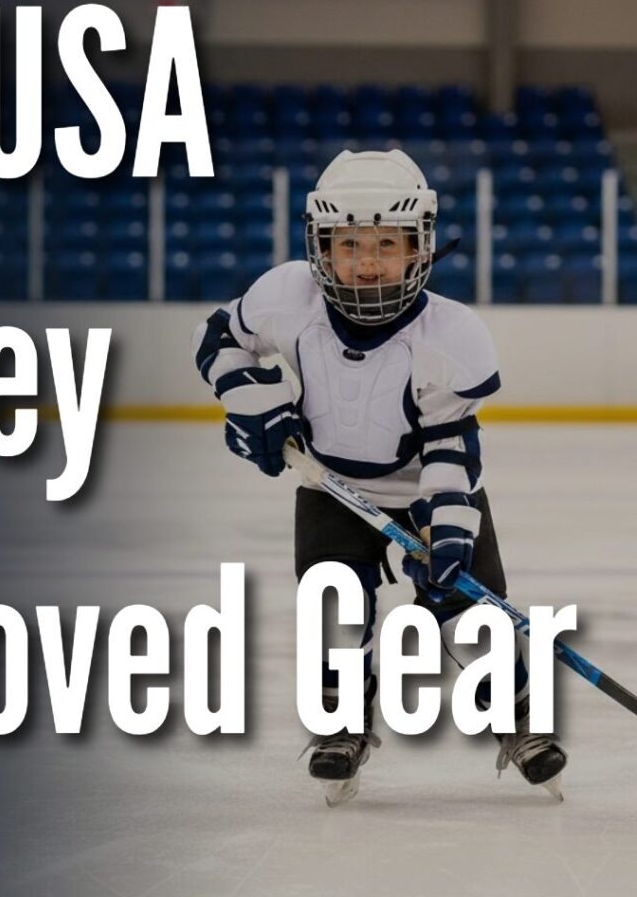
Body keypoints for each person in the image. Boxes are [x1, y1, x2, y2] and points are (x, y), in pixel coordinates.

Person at [192, 149, 567, 805]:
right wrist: (251, 403)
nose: (367, 261)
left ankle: (517, 721)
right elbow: (220, 339)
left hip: (429, 483)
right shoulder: (285, 298)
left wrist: (447, 528)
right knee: (334, 604)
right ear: (320, 248)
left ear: (420, 247)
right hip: (329, 483)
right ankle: (341, 726)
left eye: (387, 244)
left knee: (470, 615)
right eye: (350, 245)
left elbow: (453, 443)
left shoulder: (451, 336)